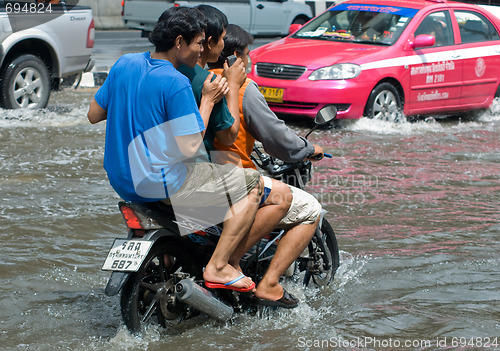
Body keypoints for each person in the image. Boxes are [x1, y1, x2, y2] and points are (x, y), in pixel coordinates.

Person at [87, 7, 262, 292]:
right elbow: (190, 145)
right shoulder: (177, 82)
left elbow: (94, 114)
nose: (200, 51)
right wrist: (206, 100)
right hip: (162, 184)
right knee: (252, 185)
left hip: (122, 182)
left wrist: (131, 103)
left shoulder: (124, 64)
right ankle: (218, 266)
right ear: (179, 42)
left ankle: (171, 258)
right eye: (197, 43)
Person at [208, 24, 326, 308]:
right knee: (309, 207)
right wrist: (309, 149)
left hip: (193, 177)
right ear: (235, 57)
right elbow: (277, 137)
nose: (249, 63)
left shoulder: (194, 79)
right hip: (231, 177)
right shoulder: (241, 88)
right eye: (247, 56)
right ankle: (266, 281)